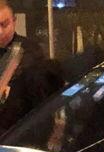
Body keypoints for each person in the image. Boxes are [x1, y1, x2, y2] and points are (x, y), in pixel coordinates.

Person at [0, 0, 64, 136]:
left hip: (18, 131)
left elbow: (38, 102)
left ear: (14, 21)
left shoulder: (29, 51)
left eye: (4, 24)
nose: (0, 32)